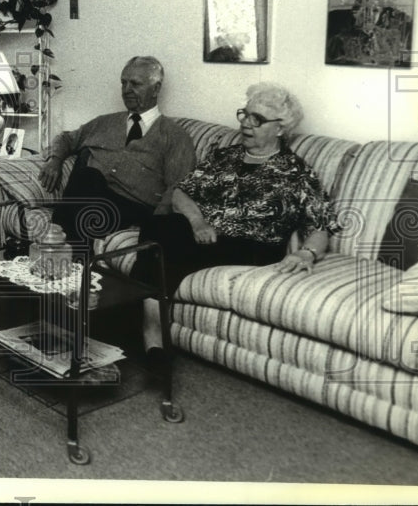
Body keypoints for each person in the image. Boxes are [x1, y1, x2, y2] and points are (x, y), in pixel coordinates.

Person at [132, 82, 340, 366]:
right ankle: (153, 342)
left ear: (280, 128)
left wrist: (307, 253)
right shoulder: (224, 156)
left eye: (258, 119)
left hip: (253, 247)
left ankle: (144, 332)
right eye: (245, 114)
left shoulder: (296, 172)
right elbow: (182, 191)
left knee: (161, 235)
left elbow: (320, 224)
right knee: (161, 235)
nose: (245, 124)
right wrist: (197, 221)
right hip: (204, 237)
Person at [38, 56, 196, 244]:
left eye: (135, 84)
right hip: (93, 200)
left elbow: (177, 188)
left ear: (156, 89)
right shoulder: (104, 123)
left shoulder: (175, 136)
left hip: (134, 210)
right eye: (123, 83)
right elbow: (66, 139)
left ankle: (57, 249)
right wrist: (55, 161)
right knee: (87, 177)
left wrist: (154, 228)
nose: (126, 90)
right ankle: (68, 253)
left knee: (85, 185)